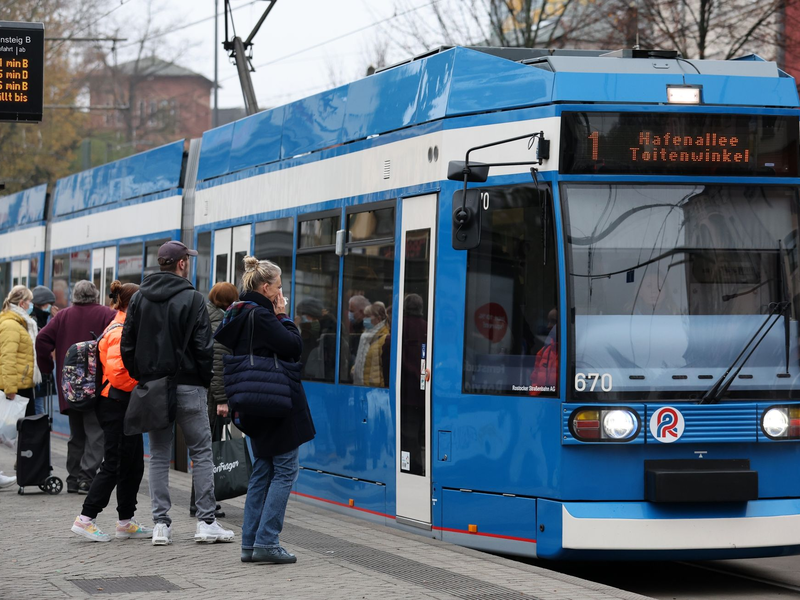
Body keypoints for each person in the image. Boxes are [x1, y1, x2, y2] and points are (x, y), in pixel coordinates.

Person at [120, 240, 233, 546]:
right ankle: (206, 522)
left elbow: (126, 345)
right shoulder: (193, 299)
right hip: (189, 386)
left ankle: (160, 525)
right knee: (201, 452)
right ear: (182, 263)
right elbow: (204, 347)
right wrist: (204, 380)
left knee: (158, 455)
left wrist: (143, 377)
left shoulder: (139, 298)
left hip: (153, 387)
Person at [214, 256, 315, 565]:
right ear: (267, 286)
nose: (281, 294)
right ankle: (267, 541)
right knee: (285, 471)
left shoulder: (237, 312)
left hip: (252, 403)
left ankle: (250, 542)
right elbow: (293, 346)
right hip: (275, 403)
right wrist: (284, 315)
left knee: (263, 471)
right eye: (279, 288)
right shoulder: (265, 315)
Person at [70, 281, 152, 543]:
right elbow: (118, 376)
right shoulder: (119, 330)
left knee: (133, 464)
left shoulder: (126, 324)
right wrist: (143, 379)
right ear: (133, 303)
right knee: (115, 463)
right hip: (115, 403)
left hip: (125, 404)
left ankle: (126, 520)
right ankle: (85, 519)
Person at [37, 281, 115, 494]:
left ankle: (72, 479)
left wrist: (48, 366)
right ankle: (86, 480)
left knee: (76, 435)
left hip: (70, 387)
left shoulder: (63, 316)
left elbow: (42, 339)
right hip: (96, 386)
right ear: (95, 295)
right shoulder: (106, 315)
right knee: (95, 434)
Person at [189, 281, 239, 519]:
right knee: (206, 450)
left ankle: (200, 501)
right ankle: (201, 503)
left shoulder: (207, 313)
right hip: (211, 395)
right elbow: (218, 363)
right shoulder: (218, 320)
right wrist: (222, 399)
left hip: (205, 391)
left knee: (204, 449)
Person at [0, 286, 40, 419]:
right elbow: (7, 358)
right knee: (21, 431)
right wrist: (10, 389)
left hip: (22, 384)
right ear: (22, 303)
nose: (32, 305)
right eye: (30, 301)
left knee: (26, 430)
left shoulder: (20, 323)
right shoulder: (11, 325)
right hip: (16, 388)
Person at [31, 285, 57, 415]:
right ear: (41, 303)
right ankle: (40, 432)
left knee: (38, 405)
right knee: (38, 406)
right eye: (49, 304)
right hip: (37, 370)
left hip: (39, 369)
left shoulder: (43, 318)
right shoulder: (35, 320)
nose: (51, 307)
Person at [352, 301, 390, 387]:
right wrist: (354, 369)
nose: (365, 319)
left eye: (368, 316)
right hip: (362, 386)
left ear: (378, 319)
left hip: (374, 388)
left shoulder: (384, 338)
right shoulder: (366, 336)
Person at [529, 308, 558, 396]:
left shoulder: (572, 354)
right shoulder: (543, 352)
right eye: (549, 321)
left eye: (553, 321)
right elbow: (535, 381)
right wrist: (536, 400)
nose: (548, 326)